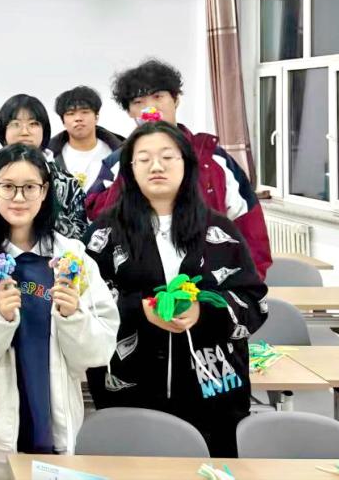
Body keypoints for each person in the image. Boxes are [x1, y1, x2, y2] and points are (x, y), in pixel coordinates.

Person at [84, 121, 267, 457]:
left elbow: (254, 301)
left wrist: (204, 311)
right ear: (130, 169)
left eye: (167, 157)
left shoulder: (220, 230)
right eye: (144, 159)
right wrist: (139, 310)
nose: (156, 166)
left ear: (186, 164)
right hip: (130, 387)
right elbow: (86, 307)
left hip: (213, 391)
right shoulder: (103, 234)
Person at [0, 144, 119, 477]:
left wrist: (73, 316)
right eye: (8, 186)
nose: (19, 197)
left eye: (29, 187)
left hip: (57, 437)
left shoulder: (73, 259)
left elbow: (98, 352)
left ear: (45, 191)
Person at [84, 59, 272, 278]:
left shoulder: (213, 159)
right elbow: (96, 225)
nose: (150, 107)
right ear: (130, 112)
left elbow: (249, 226)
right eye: (138, 101)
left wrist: (246, 284)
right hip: (137, 287)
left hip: (208, 286)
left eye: (158, 97)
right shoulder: (116, 164)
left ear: (176, 100)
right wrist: (130, 172)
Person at [0, 94, 88, 240]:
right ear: (3, 130)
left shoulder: (67, 182)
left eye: (33, 124)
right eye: (15, 124)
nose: (25, 132)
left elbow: (82, 236)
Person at [47, 85, 122, 194]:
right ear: (63, 121)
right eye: (70, 114)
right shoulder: (48, 157)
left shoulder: (120, 153)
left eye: (85, 112)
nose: (78, 118)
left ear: (96, 116)